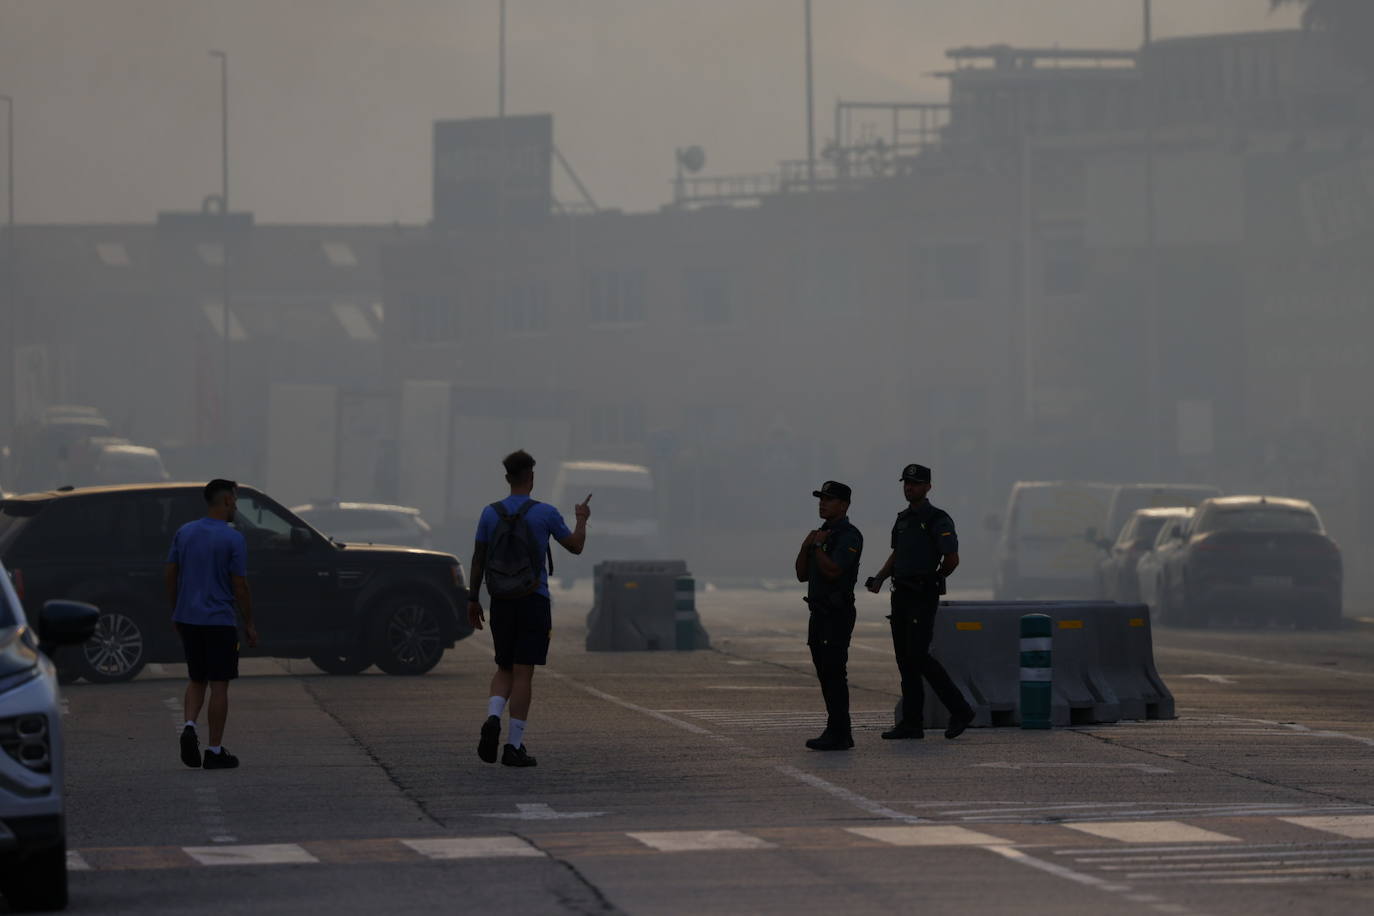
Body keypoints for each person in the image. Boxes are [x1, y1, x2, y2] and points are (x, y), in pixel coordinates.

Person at [468, 450, 589, 768]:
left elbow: (478, 558)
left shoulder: (489, 513)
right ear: (531, 478)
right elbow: (575, 546)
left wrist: (472, 599)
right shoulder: (545, 513)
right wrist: (581, 518)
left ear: (507, 479)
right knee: (524, 673)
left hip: (501, 600)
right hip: (533, 599)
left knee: (503, 667)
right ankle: (513, 746)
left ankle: (493, 717)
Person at [866, 464, 975, 741]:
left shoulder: (938, 518)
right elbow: (896, 553)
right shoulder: (902, 519)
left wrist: (935, 579)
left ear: (928, 486)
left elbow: (951, 558)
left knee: (918, 655)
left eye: (915, 483)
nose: (909, 487)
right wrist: (879, 577)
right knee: (905, 661)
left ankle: (960, 709)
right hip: (900, 593)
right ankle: (912, 723)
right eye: (906, 483)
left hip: (921, 595)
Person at [166, 478, 259, 770]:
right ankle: (215, 750)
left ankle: (190, 725)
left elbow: (171, 574)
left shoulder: (185, 532)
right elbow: (240, 586)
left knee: (197, 679)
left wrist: (176, 611)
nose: (236, 506)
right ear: (227, 501)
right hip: (219, 621)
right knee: (219, 685)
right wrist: (250, 623)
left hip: (189, 619)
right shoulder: (233, 539)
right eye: (235, 500)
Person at [795, 481, 864, 751]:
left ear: (844, 505)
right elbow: (802, 574)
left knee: (835, 672)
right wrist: (806, 547)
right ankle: (835, 728)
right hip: (818, 612)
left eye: (829, 500)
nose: (823, 503)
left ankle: (841, 732)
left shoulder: (849, 535)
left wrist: (818, 549)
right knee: (824, 672)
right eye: (821, 499)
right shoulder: (820, 534)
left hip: (837, 613)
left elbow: (834, 570)